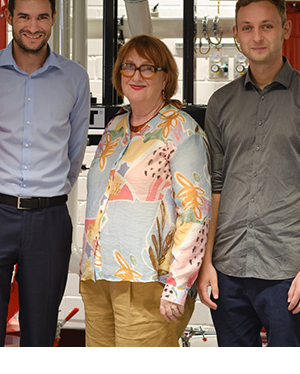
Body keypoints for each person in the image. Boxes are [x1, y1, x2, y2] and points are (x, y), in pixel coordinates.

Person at [197, 0, 300, 347]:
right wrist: (206, 264)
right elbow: (214, 185)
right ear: (236, 34)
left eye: (267, 26)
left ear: (286, 29)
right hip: (228, 268)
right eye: (246, 27)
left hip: (287, 272)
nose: (256, 36)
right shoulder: (221, 103)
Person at [0, 0, 90, 347]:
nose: (33, 26)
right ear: (9, 18)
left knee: (40, 328)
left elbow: (74, 150)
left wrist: (47, 192)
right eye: (24, 17)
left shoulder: (75, 78)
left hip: (48, 218)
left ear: (53, 20)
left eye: (42, 17)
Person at [80, 35, 211, 347]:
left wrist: (178, 286)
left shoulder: (183, 131)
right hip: (99, 278)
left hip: (149, 283)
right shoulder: (114, 128)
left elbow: (196, 215)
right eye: (128, 66)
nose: (136, 76)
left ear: (165, 77)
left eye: (147, 68)